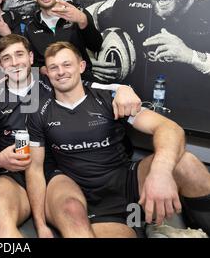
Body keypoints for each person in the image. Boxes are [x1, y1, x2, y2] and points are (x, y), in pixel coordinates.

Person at [26, 41, 210, 237]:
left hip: (128, 183)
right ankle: (150, 227)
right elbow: (35, 169)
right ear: (47, 72)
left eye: (67, 64)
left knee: (187, 164)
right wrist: (40, 224)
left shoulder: (110, 98)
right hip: (86, 196)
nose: (61, 71)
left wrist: (160, 172)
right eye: (54, 67)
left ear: (81, 67)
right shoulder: (39, 112)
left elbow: (170, 128)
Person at [0, 34, 142, 237]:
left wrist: (122, 88)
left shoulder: (53, 80)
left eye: (19, 54)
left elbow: (90, 88)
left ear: (30, 58)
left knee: (76, 212)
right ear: (0, 66)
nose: (14, 63)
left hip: (58, 169)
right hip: (16, 171)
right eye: (6, 58)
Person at [89, 0, 210, 134]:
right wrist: (89, 60)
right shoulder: (134, 3)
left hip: (200, 122)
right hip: (143, 118)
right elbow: (82, 20)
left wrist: (190, 55)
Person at [24, 0, 103, 80]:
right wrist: (41, 69)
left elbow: (96, 46)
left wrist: (83, 21)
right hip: (49, 84)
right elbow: (31, 62)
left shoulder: (78, 12)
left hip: (82, 79)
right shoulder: (30, 26)